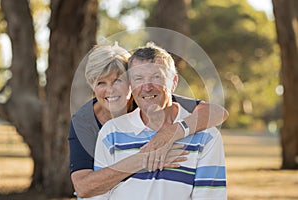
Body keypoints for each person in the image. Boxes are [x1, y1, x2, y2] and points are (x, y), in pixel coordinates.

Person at [69, 42, 228, 198]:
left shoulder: (158, 98)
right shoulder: (92, 125)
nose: (110, 90)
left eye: (117, 80)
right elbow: (84, 189)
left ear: (128, 84)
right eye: (101, 82)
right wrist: (144, 159)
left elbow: (216, 112)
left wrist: (171, 132)